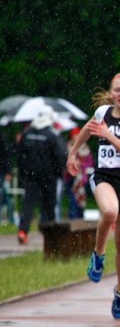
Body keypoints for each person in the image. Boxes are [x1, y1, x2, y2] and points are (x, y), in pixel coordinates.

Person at [67, 73, 120, 319]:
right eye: (117, 90)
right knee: (110, 211)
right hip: (105, 176)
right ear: (111, 92)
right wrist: (72, 153)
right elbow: (87, 130)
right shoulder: (102, 112)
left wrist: (109, 135)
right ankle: (98, 254)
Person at [15, 105, 68, 244]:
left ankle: (22, 231)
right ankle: (50, 236)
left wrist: (24, 172)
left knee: (28, 204)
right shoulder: (52, 135)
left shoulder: (27, 133)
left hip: (31, 176)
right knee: (49, 206)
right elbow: (61, 155)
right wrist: (59, 172)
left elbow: (19, 154)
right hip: (49, 177)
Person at [65, 128, 94, 219]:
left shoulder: (85, 148)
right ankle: (73, 218)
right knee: (73, 199)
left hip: (81, 178)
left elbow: (89, 163)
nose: (75, 137)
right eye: (74, 135)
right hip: (71, 177)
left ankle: (80, 218)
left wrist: (80, 164)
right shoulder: (68, 147)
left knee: (80, 198)